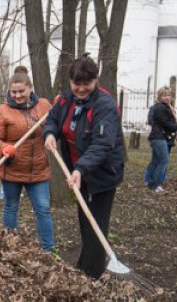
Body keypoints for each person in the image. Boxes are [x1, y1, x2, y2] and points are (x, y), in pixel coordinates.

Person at [43, 54, 125, 280]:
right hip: (79, 171)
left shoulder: (105, 104)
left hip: (102, 172)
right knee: (84, 218)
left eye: (86, 84)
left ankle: (91, 273)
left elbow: (102, 144)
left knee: (95, 221)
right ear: (70, 81)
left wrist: (80, 169)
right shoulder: (65, 100)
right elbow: (52, 120)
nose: (80, 89)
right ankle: (85, 266)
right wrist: (50, 134)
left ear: (96, 80)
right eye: (76, 84)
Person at [0, 66, 54, 251]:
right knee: (10, 207)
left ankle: (48, 250)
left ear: (30, 88)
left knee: (43, 210)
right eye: (13, 92)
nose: (17, 95)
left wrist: (60, 110)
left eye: (21, 91)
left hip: (38, 170)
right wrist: (3, 147)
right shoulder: (2, 111)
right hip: (12, 170)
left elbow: (55, 126)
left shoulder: (44, 106)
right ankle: (10, 245)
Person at [144, 86, 177, 193]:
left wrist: (176, 131)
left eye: (169, 95)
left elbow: (170, 121)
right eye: (164, 95)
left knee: (156, 160)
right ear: (160, 97)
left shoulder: (167, 107)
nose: (167, 97)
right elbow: (165, 123)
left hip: (162, 137)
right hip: (158, 137)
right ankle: (155, 185)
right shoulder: (160, 108)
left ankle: (151, 183)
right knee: (164, 160)